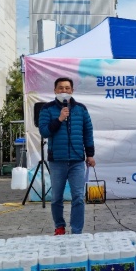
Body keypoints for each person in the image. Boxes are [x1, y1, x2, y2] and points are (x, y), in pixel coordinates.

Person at [38, 77, 95, 235]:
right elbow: (44, 131)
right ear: (55, 90)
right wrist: (59, 119)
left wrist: (90, 155)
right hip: (57, 161)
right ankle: (60, 227)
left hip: (77, 160)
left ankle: (76, 230)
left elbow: (87, 132)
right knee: (56, 197)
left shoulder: (81, 109)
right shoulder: (47, 109)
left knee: (78, 196)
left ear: (72, 90)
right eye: (61, 88)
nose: (64, 91)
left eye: (67, 88)